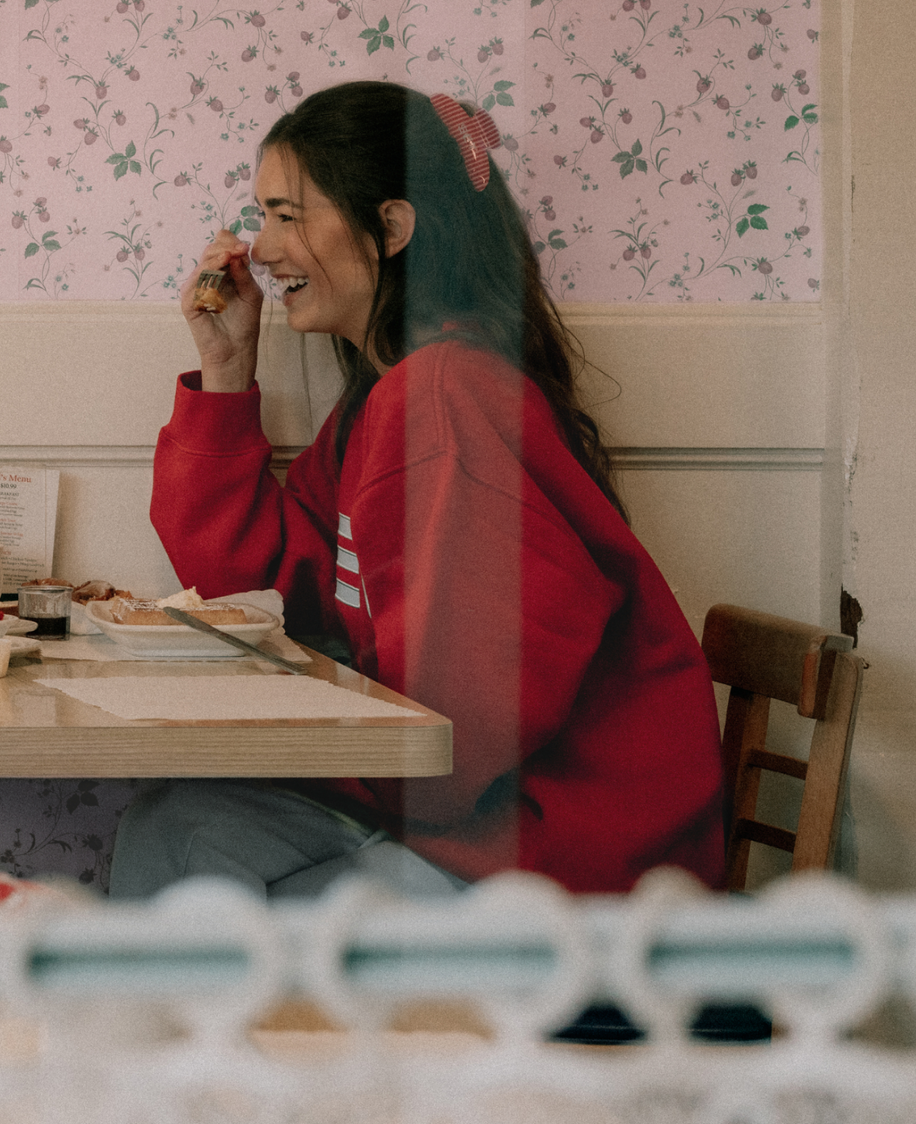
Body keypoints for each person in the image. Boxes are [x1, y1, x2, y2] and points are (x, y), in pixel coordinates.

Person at [111, 81, 725, 900]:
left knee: (209, 898)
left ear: (392, 228)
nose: (259, 248)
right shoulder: (392, 392)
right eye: (263, 216)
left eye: (288, 215)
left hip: (567, 861)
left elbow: (453, 740)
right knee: (176, 830)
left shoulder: (443, 395)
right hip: (475, 814)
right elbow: (270, 592)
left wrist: (294, 754)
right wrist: (226, 371)